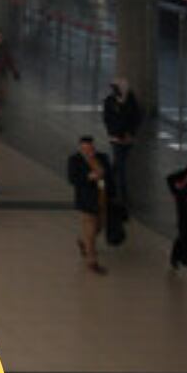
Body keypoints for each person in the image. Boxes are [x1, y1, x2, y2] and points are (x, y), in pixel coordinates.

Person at [68, 135, 110, 274]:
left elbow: (110, 174)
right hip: (86, 200)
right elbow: (73, 179)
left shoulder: (102, 158)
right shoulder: (75, 160)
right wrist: (88, 177)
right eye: (85, 148)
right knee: (91, 231)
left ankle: (82, 241)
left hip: (102, 199)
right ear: (80, 148)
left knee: (99, 227)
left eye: (90, 148)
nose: (88, 151)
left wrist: (103, 173)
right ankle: (92, 261)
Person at [101, 79, 143, 204]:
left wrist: (130, 133)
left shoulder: (131, 100)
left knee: (117, 164)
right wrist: (116, 133)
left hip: (128, 139)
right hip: (116, 138)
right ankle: (123, 195)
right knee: (121, 167)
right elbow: (108, 119)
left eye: (117, 88)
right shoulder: (110, 101)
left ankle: (108, 184)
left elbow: (136, 118)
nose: (115, 91)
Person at [171, 165, 187, 271]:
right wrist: (185, 181)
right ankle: (177, 257)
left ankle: (184, 257)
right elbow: (173, 182)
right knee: (185, 233)